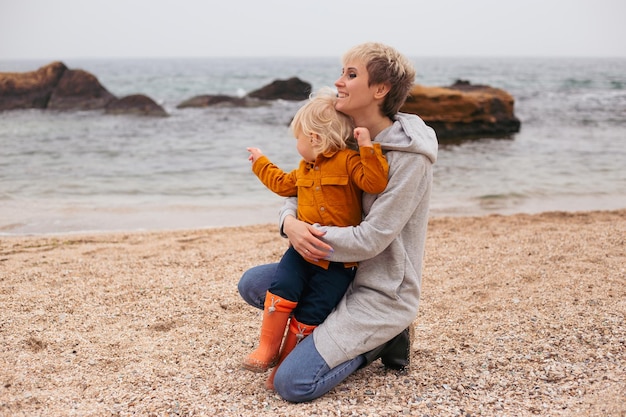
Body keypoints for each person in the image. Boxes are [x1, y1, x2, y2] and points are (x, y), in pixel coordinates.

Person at [238, 42, 438, 402]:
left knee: (292, 385)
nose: (338, 81)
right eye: (342, 72)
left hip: (379, 290)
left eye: (351, 74)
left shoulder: (411, 158)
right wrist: (290, 224)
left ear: (380, 90)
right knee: (255, 285)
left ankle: (382, 338)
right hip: (334, 272)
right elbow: (300, 187)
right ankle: (334, 330)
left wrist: (306, 234)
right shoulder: (342, 132)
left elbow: (371, 239)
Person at [243, 87, 389, 390]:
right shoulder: (303, 170)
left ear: (315, 139)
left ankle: (287, 359)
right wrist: (260, 162)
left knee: (314, 309)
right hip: (300, 252)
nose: (296, 144)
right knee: (282, 287)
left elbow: (374, 181)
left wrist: (367, 147)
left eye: (298, 137)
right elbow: (282, 185)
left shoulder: (349, 162)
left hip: (338, 262)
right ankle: (267, 349)